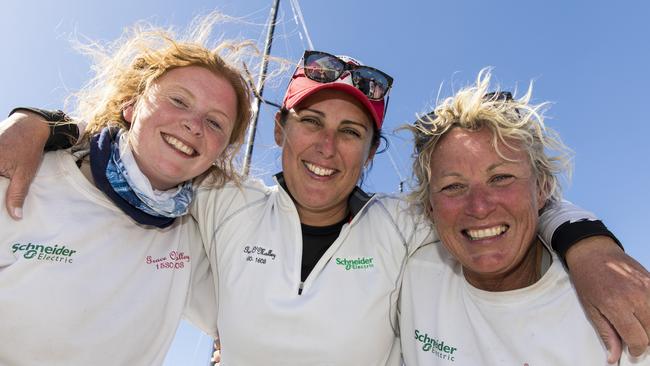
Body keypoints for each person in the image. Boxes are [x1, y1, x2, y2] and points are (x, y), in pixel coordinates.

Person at [1, 51, 649, 364]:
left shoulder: (405, 228)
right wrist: (36, 123)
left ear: (369, 154)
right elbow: (146, 157)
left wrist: (587, 243)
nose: (327, 146)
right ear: (279, 132)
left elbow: (490, 203)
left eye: (352, 132)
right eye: (311, 122)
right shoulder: (222, 205)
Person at [0, 13, 253, 365]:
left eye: (214, 123)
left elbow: (254, 322)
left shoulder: (193, 241)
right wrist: (36, 122)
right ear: (132, 106)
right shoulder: (26, 175)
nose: (193, 125)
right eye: (179, 100)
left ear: (217, 154)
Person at [400, 70, 649, 365]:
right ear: (429, 206)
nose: (479, 207)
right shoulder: (409, 275)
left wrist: (591, 246)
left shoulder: (617, 310)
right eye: (454, 186)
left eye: (501, 178)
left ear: (543, 188)